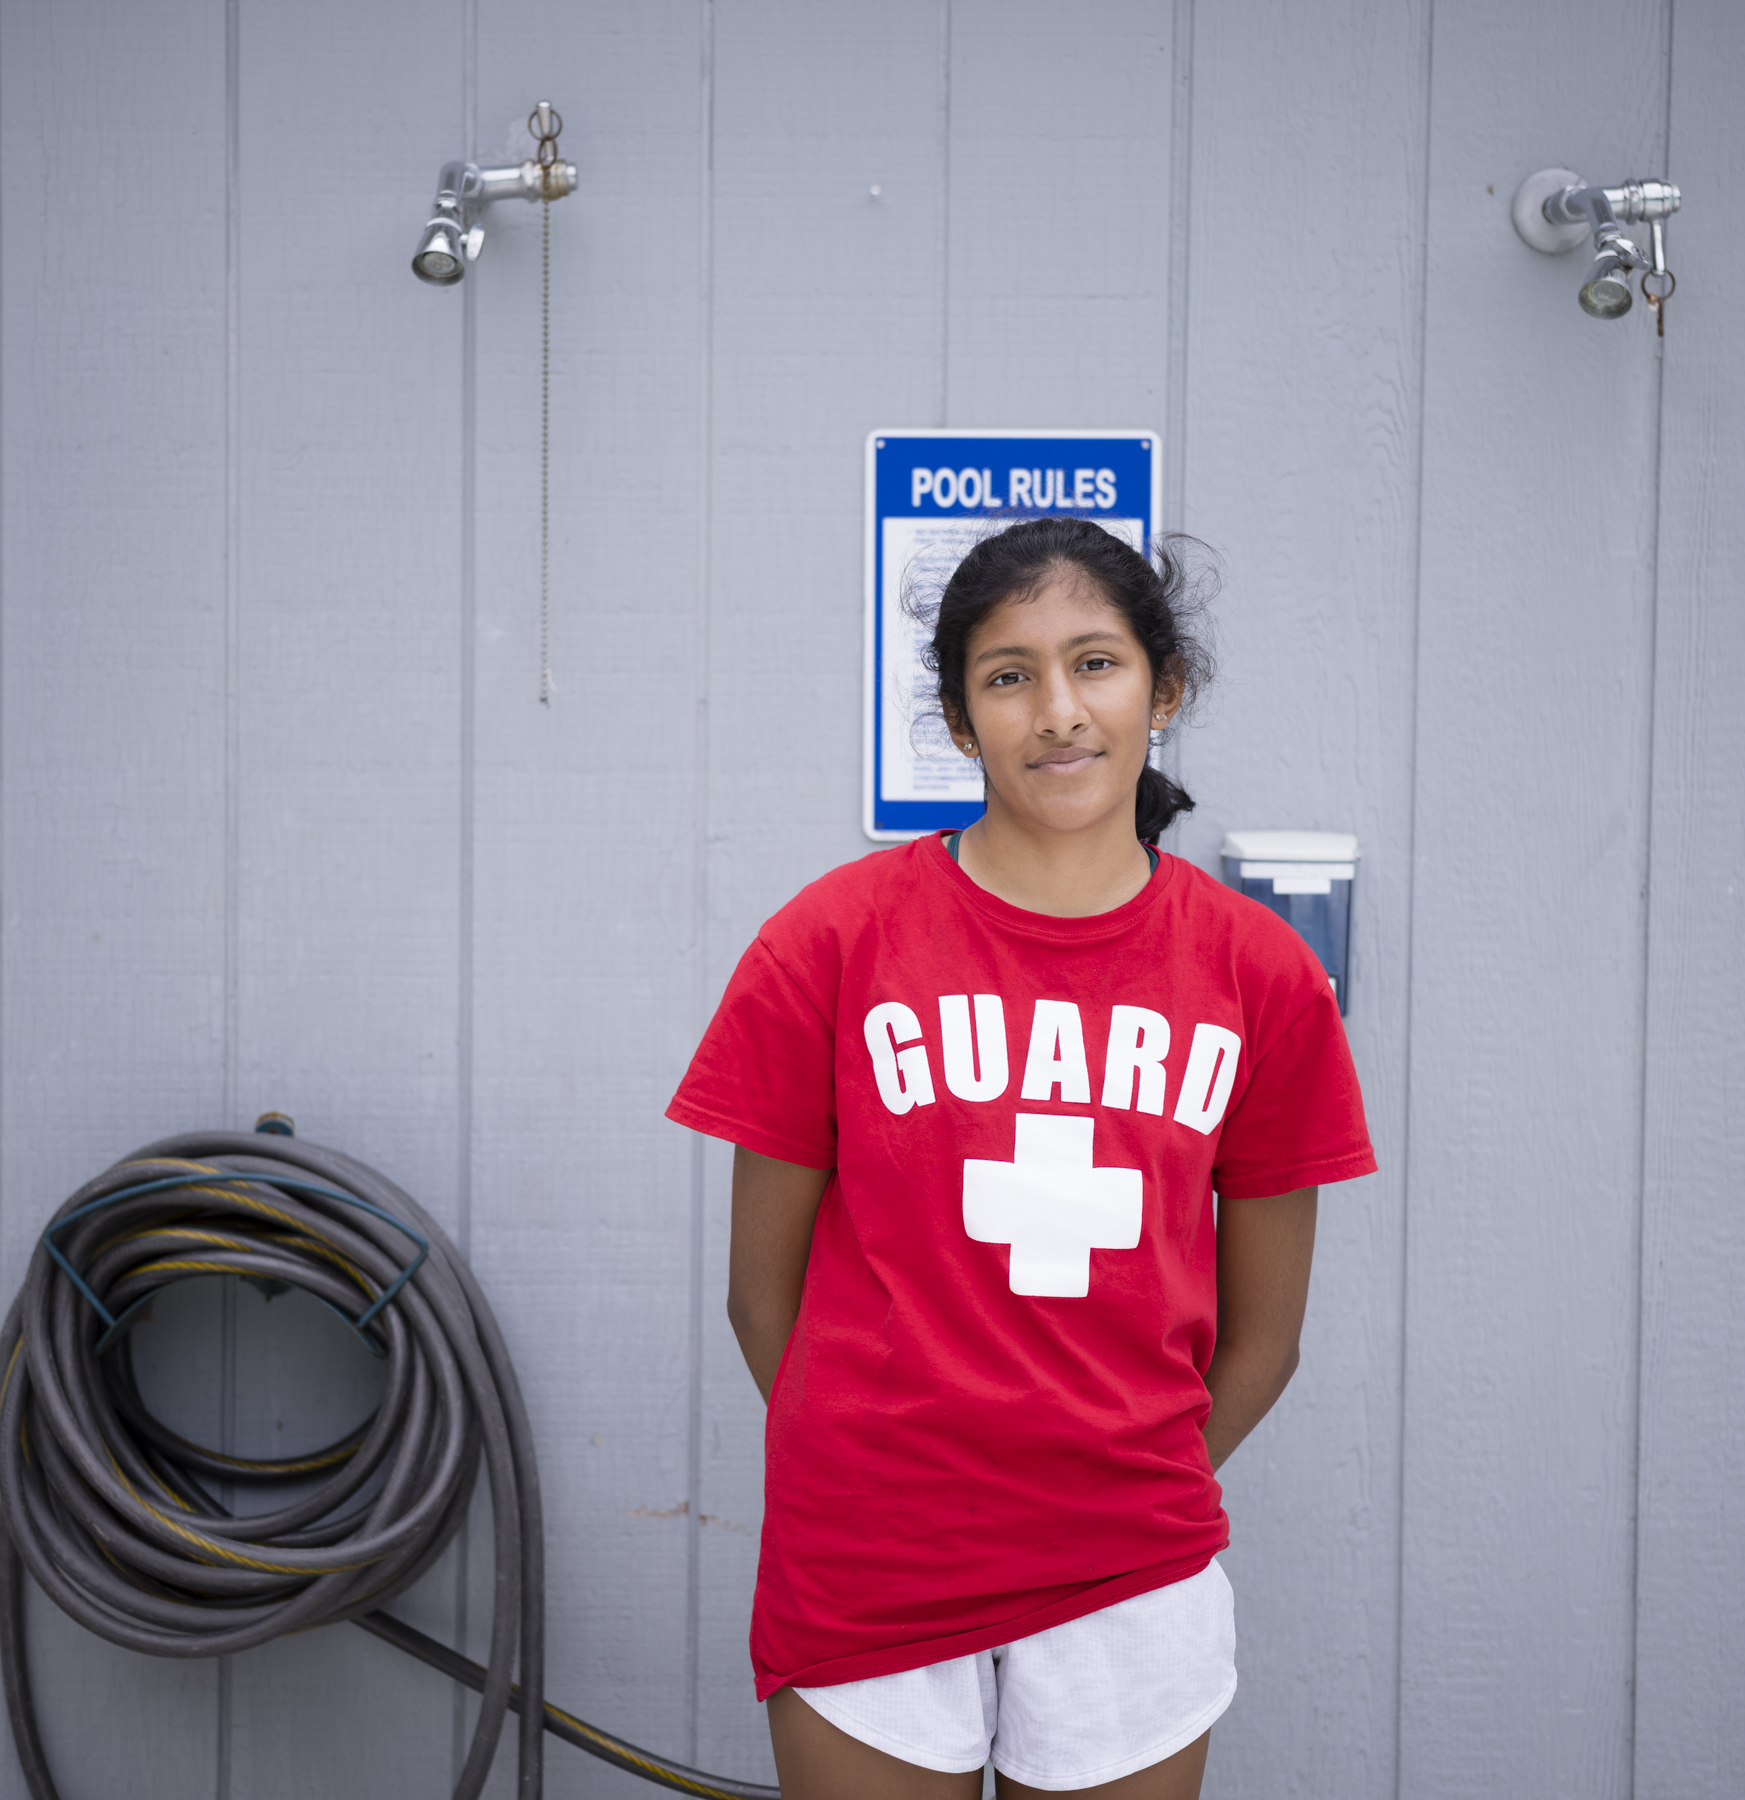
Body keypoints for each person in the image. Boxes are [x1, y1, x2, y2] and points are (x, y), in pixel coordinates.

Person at [667, 517, 1376, 1798]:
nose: (1057, 711)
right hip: (870, 1559)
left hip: (1127, 1566)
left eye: (1094, 664)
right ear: (955, 719)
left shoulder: (1259, 977)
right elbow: (756, 1293)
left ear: (1166, 689)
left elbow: (1265, 1334)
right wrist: (879, 1473)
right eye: (1008, 676)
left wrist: (1105, 1489)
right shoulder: (827, 944)